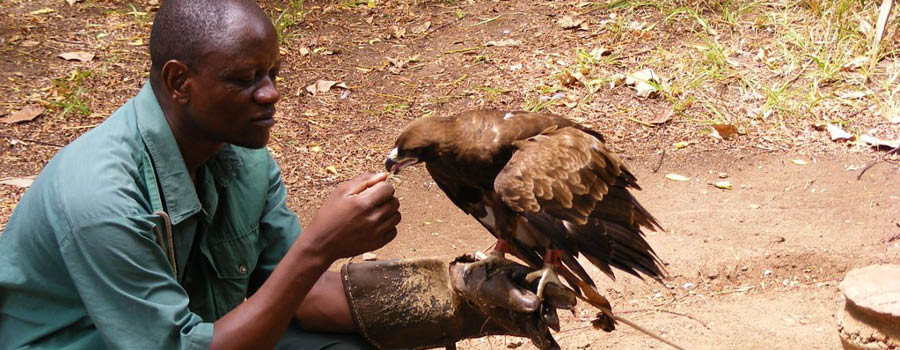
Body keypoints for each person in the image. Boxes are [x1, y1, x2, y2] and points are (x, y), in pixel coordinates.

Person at [0, 1, 571, 349]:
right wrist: (319, 244)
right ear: (180, 83)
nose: (271, 94)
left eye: (273, 72)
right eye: (246, 79)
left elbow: (291, 294)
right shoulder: (103, 201)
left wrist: (464, 296)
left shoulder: (242, 155)